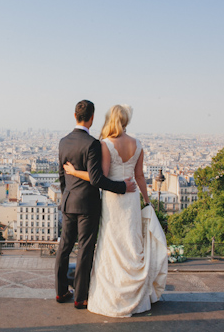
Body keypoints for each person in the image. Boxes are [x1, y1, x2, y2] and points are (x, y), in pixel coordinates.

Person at [63, 104, 168, 317]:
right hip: (131, 198)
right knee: (131, 242)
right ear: (126, 120)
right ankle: (136, 295)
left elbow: (99, 179)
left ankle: (113, 295)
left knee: (111, 244)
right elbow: (139, 177)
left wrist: (75, 172)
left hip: (113, 200)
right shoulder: (138, 144)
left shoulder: (105, 144)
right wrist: (147, 202)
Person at [56, 100, 137, 309]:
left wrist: (66, 194)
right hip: (87, 205)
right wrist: (122, 187)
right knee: (84, 249)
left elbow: (61, 176)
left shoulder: (63, 141)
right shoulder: (92, 143)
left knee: (64, 247)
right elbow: (97, 179)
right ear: (92, 118)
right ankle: (80, 297)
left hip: (68, 201)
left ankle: (60, 291)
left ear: (74, 116)